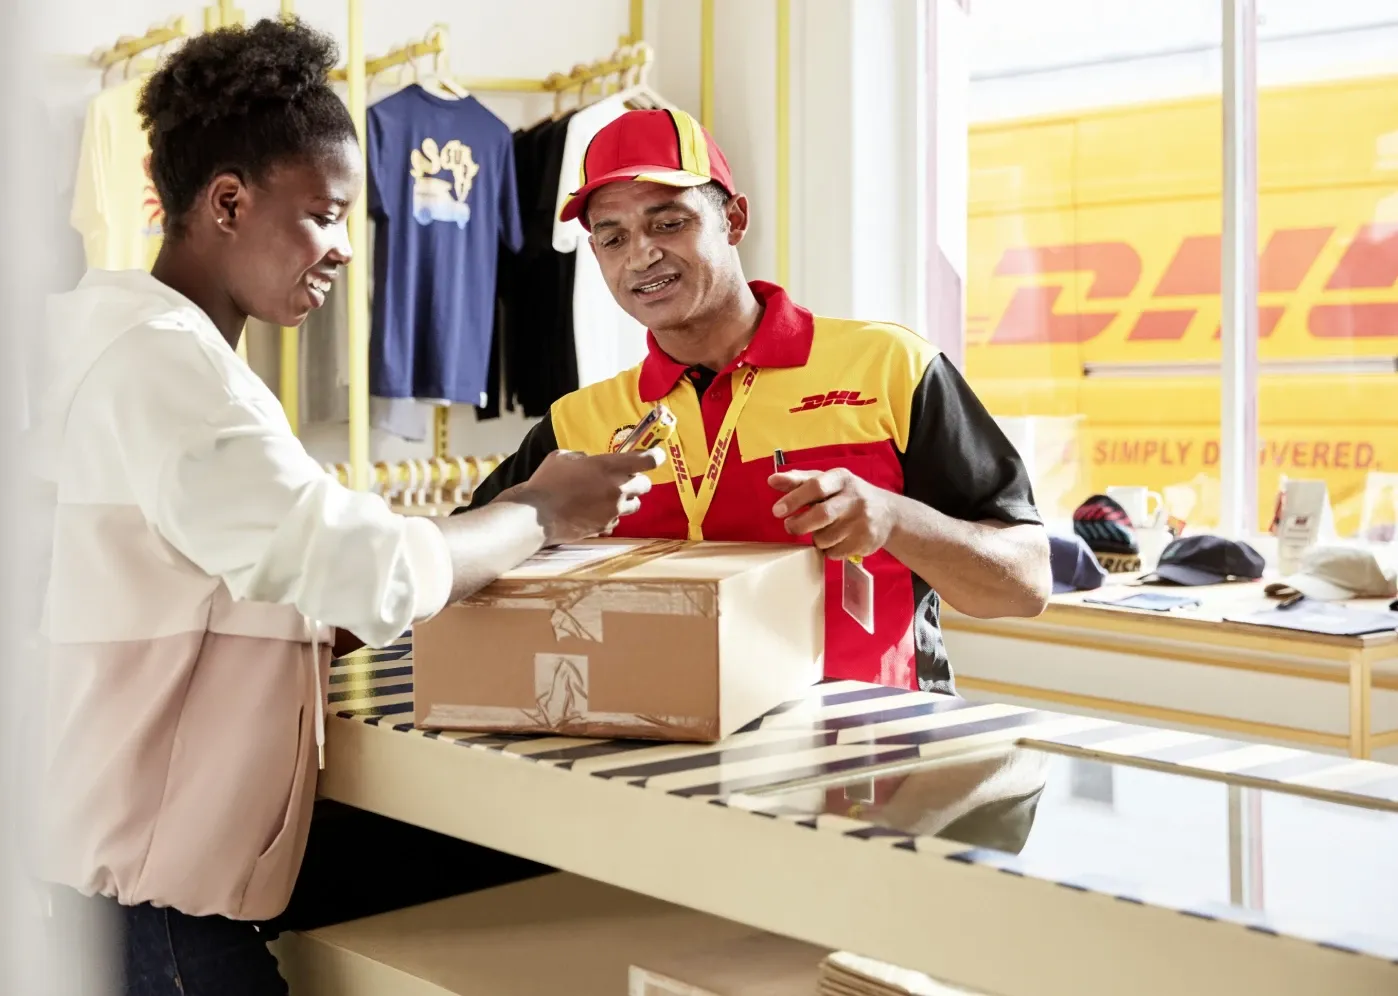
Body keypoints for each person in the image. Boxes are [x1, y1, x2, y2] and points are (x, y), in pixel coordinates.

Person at [32, 19, 660, 995]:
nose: (341, 252)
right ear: (228, 203)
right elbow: (363, 569)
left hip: (125, 879)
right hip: (159, 912)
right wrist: (540, 506)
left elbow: (221, 587)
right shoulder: (165, 371)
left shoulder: (120, 341)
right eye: (324, 215)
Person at [463, 109, 1051, 693]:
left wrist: (896, 519)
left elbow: (1026, 583)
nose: (640, 255)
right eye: (613, 237)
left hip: (872, 755)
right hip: (663, 755)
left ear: (734, 220)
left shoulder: (890, 367)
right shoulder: (578, 423)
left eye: (668, 223)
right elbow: (464, 567)